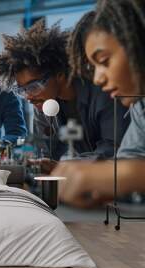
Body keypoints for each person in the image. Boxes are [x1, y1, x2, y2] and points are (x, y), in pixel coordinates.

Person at [0, 20, 130, 173]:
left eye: (33, 86)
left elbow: (113, 151)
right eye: (22, 90)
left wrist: (64, 166)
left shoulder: (105, 94)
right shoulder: (43, 105)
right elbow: (46, 153)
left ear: (60, 74)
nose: (28, 97)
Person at [52, 0, 145, 208]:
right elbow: (129, 161)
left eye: (104, 61)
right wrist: (106, 186)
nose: (97, 79)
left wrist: (126, 176)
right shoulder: (141, 107)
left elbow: (127, 170)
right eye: (93, 67)